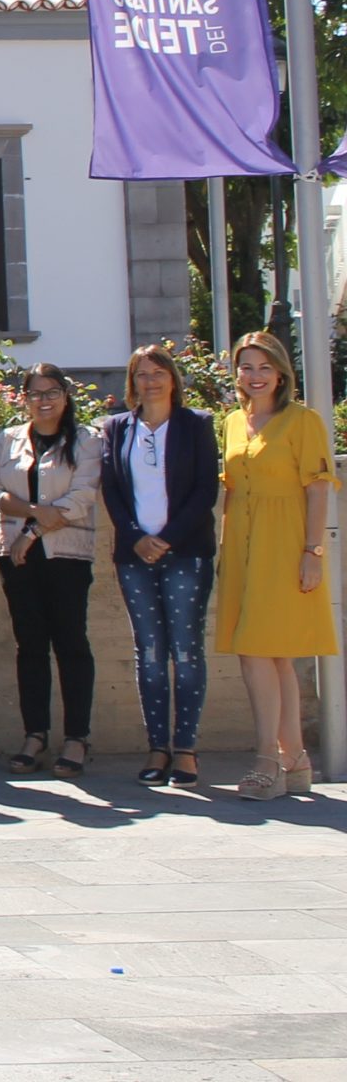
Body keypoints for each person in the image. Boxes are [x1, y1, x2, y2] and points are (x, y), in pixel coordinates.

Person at [215, 330, 334, 800]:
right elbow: (230, 490)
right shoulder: (231, 422)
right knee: (274, 655)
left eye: (265, 366)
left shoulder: (303, 421)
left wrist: (312, 553)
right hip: (241, 548)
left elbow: (319, 489)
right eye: (246, 366)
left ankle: (268, 758)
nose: (255, 375)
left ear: (281, 372)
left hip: (284, 544)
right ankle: (296, 758)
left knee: (257, 650)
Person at [100, 344, 218, 788]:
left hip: (185, 552)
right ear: (132, 382)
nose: (150, 382)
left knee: (185, 651)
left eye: (158, 373)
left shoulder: (196, 424)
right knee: (149, 652)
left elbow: (206, 489)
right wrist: (137, 537)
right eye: (141, 374)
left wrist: (167, 538)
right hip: (135, 556)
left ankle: (185, 749)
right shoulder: (117, 427)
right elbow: (111, 490)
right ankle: (157, 748)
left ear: (173, 379)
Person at [0, 365, 102, 778]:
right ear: (24, 398)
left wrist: (31, 531)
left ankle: (77, 738)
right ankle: (35, 734)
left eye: (52, 392)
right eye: (35, 393)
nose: (44, 400)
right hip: (15, 556)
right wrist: (34, 511)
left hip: (65, 556)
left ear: (66, 396)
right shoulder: (7, 439)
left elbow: (80, 499)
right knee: (30, 646)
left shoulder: (86, 440)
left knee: (71, 643)